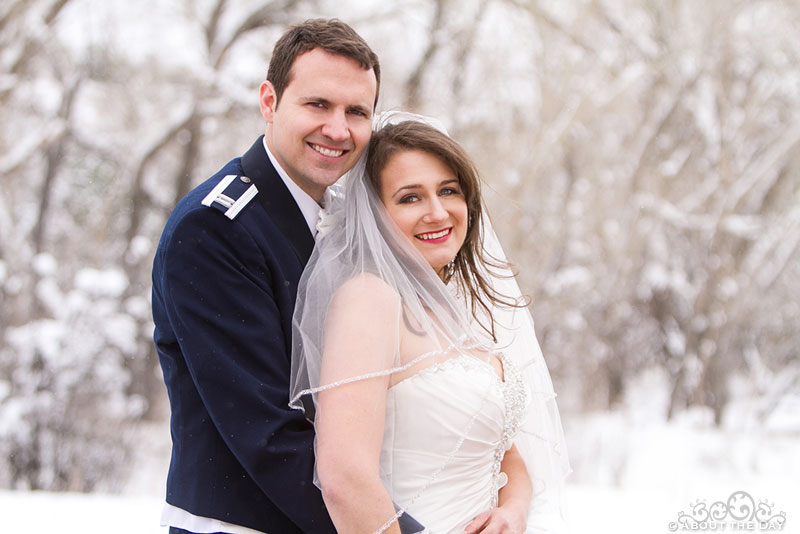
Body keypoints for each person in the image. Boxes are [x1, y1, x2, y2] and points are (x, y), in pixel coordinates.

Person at [152, 19, 396, 534]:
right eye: (317, 104)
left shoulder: (342, 222)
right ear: (269, 101)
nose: (338, 129)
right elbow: (265, 432)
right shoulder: (216, 228)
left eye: (357, 111)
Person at [289, 114, 572, 534]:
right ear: (375, 216)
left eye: (448, 191)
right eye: (410, 198)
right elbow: (345, 476)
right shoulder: (369, 299)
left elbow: (505, 454)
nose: (437, 212)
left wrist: (512, 511)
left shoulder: (460, 308)